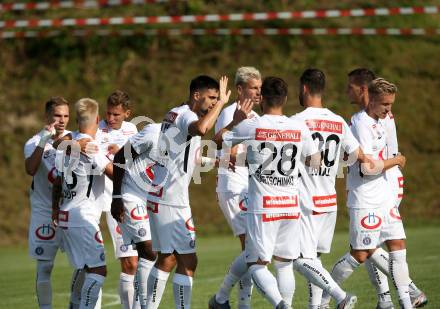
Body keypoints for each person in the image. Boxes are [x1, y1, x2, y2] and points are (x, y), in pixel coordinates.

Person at [214, 77, 357, 309]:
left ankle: (283, 305)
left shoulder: (252, 125)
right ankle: (304, 302)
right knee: (284, 264)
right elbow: (316, 161)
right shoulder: (297, 127)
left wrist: (234, 122)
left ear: (261, 100)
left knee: (256, 264)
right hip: (291, 205)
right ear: (286, 99)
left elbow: (217, 140)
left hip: (264, 206)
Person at [321, 78, 416, 309]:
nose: (388, 109)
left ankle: (406, 302)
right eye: (385, 104)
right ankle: (323, 299)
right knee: (360, 254)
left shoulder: (381, 121)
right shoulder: (360, 123)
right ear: (371, 99)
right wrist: (397, 160)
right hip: (365, 198)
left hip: (383, 196)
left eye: (391, 104)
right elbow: (366, 167)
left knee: (398, 245)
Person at [142, 75, 230, 309]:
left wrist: (219, 160)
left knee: (168, 259)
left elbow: (192, 156)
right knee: (188, 260)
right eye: (211, 98)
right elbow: (202, 129)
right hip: (171, 200)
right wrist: (222, 103)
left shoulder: (174, 113)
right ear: (196, 95)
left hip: (162, 196)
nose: (213, 103)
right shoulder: (187, 116)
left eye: (215, 99)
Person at [343, 68, 427, 309]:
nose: (346, 90)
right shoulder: (366, 117)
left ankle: (403, 293)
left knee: (367, 247)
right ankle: (391, 298)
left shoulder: (377, 119)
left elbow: (382, 158)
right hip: (379, 181)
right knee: (371, 247)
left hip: (384, 185)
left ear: (363, 89)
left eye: (350, 86)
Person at [294, 69, 361, 309]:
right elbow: (357, 155)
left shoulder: (296, 121)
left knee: (301, 261)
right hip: (328, 201)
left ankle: (341, 296)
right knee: (315, 261)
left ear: (303, 88)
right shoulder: (339, 121)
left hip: (305, 201)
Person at [52, 98, 113, 309]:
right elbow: (114, 174)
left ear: (76, 119)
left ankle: (74, 304)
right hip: (82, 216)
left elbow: (55, 143)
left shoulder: (69, 140)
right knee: (98, 270)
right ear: (97, 118)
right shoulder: (90, 145)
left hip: (66, 214)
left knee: (85, 267)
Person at [209, 66, 262, 309]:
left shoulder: (258, 118)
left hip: (249, 187)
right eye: (253, 88)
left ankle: (228, 301)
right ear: (239, 89)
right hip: (233, 186)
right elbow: (225, 150)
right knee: (251, 248)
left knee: (253, 249)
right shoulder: (230, 112)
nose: (258, 92)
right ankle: (232, 302)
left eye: (260, 88)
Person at [24, 97, 70, 309]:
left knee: (87, 265)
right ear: (47, 117)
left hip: (71, 211)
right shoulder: (34, 142)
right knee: (45, 267)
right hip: (44, 212)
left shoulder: (76, 140)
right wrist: (44, 140)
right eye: (57, 115)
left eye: (66, 116)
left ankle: (77, 303)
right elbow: (31, 169)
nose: (62, 120)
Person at [96, 90, 140, 309]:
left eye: (116, 115)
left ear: (127, 114)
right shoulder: (96, 130)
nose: (111, 118)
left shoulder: (132, 129)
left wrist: (122, 152)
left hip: (127, 198)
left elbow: (139, 161)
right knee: (93, 263)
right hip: (104, 200)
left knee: (133, 262)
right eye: (108, 114)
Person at [111, 121, 161, 309]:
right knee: (148, 251)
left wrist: (215, 161)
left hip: (152, 199)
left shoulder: (185, 139)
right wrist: (116, 197)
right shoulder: (153, 132)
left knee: (156, 254)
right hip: (130, 196)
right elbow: (119, 158)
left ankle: (139, 306)